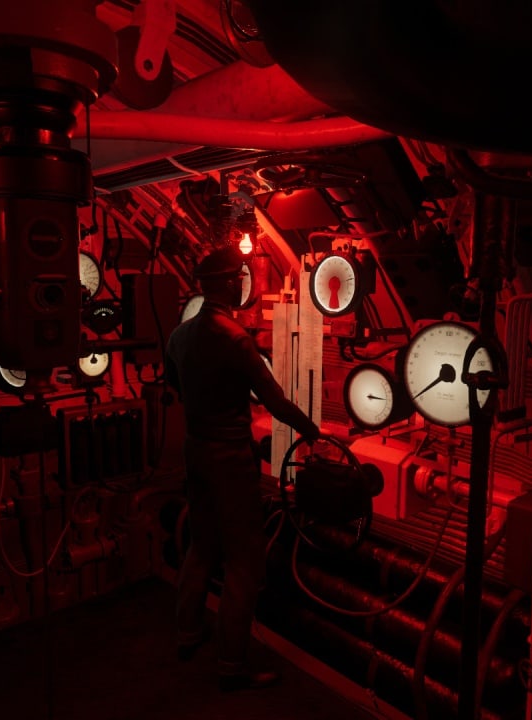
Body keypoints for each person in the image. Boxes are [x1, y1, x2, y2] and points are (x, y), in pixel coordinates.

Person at [164, 244, 322, 692]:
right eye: (240, 279)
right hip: (230, 458)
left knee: (201, 546)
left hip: (196, 450)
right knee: (244, 561)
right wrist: (311, 430)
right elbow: (274, 401)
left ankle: (187, 635)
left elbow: (175, 386)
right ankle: (232, 665)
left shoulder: (179, 336)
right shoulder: (235, 339)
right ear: (228, 284)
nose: (242, 285)